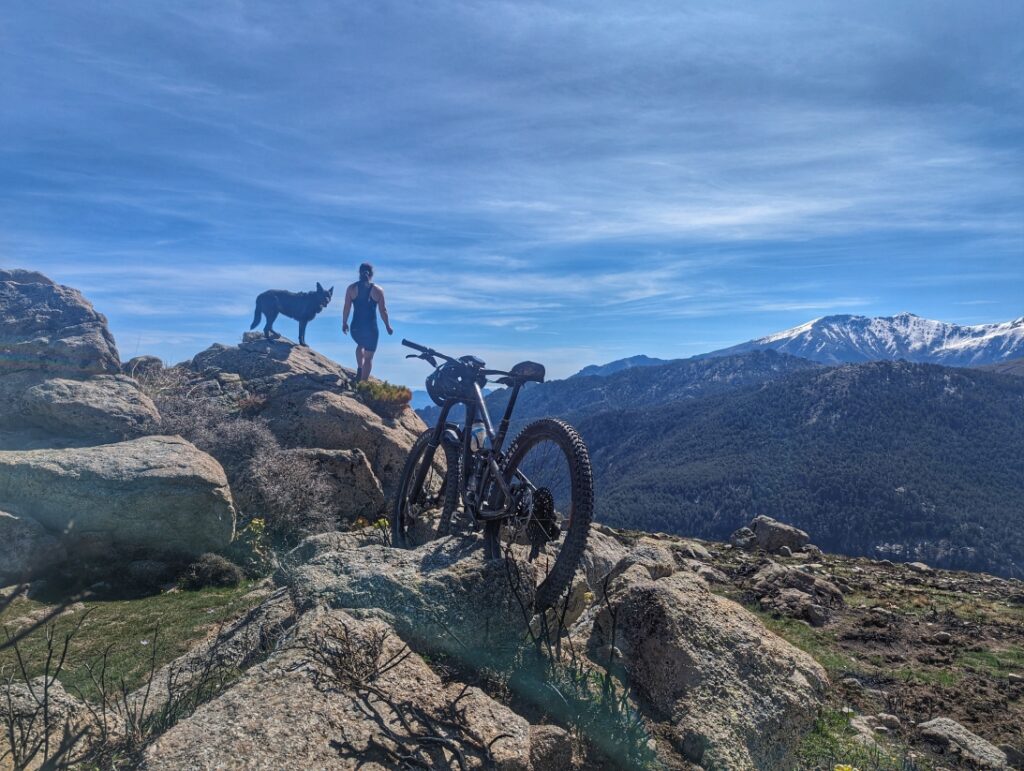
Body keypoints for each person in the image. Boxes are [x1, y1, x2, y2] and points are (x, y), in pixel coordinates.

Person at [342, 262, 393, 381]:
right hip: (371, 329)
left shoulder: (351, 288)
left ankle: (359, 369)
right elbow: (383, 310)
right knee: (369, 357)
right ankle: (363, 384)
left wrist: (344, 323)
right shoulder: (378, 290)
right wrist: (387, 326)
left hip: (356, 328)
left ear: (359, 273)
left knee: (360, 345)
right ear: (372, 274)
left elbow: (346, 307)